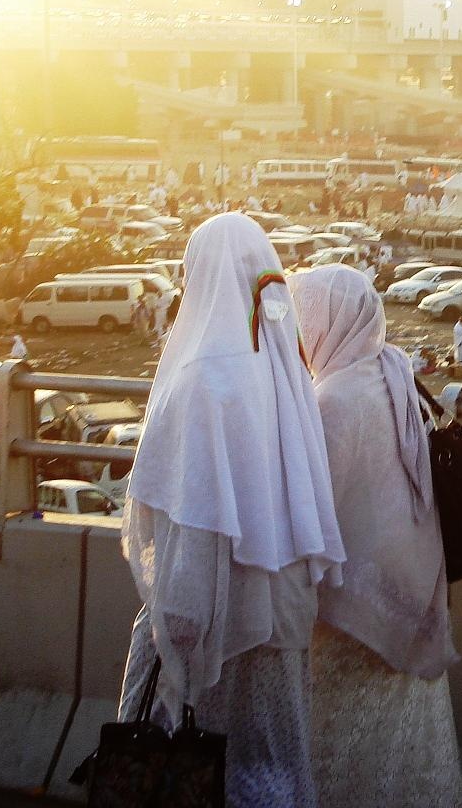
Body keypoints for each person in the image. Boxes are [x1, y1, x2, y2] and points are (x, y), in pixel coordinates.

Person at [118, 213, 345, 807]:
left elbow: (187, 522)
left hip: (216, 614)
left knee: (196, 767)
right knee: (269, 763)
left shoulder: (201, 380)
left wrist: (181, 633)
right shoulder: (284, 370)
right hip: (283, 605)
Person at [290, 265, 462, 807]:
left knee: (340, 758)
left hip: (351, 612)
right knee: (404, 748)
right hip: (405, 589)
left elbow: (311, 514)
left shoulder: (333, 401)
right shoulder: (391, 375)